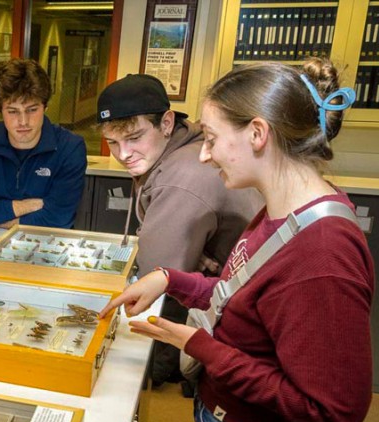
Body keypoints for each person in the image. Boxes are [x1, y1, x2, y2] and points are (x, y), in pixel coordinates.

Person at [100, 59, 373, 422]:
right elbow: (237, 293)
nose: (202, 154)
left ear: (258, 135)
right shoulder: (277, 212)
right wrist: (174, 282)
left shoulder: (323, 250)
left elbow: (332, 409)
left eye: (213, 138)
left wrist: (197, 343)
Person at [97, 74, 260, 389]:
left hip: (236, 321)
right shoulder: (179, 145)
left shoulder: (181, 175)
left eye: (134, 137)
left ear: (167, 122)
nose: (123, 154)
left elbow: (155, 276)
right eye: (113, 142)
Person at [0, 58, 87, 229]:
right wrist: (28, 206)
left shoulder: (70, 147)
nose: (23, 121)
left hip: (48, 245)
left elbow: (58, 219)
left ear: (46, 107)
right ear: (1, 111)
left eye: (32, 110)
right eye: (13, 111)